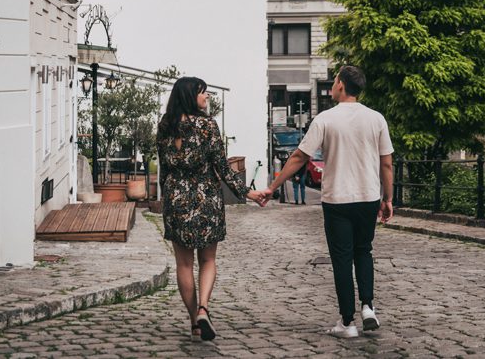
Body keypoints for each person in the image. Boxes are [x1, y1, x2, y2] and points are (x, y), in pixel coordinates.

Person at [263, 65, 394, 338]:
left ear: (342, 86)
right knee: (364, 251)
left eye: (335, 82)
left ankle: (347, 323)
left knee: (342, 260)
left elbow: (300, 157)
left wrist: (272, 187)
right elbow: (387, 163)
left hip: (338, 199)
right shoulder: (376, 119)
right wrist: (388, 198)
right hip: (368, 196)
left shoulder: (325, 119)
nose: (332, 86)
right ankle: (368, 306)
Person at [156, 76, 266, 341]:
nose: (207, 97)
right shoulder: (207, 125)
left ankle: (194, 321)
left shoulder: (165, 125)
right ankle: (204, 308)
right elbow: (222, 166)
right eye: (203, 93)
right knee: (207, 260)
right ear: (190, 95)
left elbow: (164, 168)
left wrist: (167, 199)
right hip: (206, 199)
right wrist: (247, 193)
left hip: (176, 199)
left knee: (183, 264)